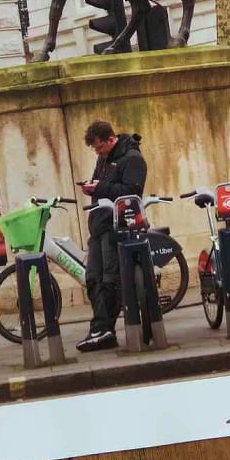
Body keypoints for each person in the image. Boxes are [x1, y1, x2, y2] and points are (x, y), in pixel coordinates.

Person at [76, 120, 147, 352]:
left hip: (115, 226)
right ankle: (100, 330)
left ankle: (103, 329)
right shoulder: (104, 159)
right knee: (92, 277)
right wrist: (92, 186)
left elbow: (131, 192)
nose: (97, 152)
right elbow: (104, 183)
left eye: (99, 147)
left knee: (109, 280)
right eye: (95, 149)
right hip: (99, 224)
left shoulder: (132, 158)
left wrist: (99, 188)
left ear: (110, 139)